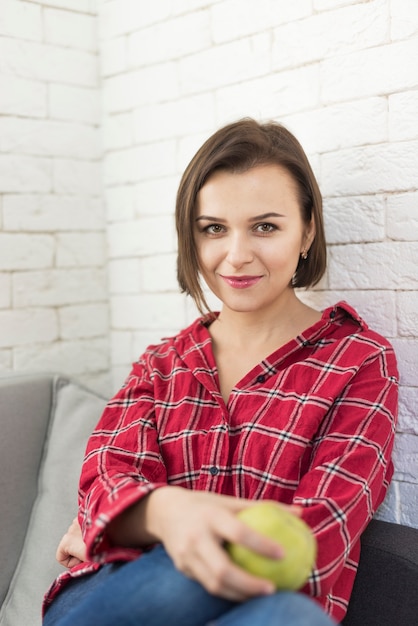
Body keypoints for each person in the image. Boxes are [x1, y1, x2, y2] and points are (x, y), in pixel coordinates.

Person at [42, 118, 398, 626]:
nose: (236, 256)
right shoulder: (161, 363)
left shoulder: (359, 361)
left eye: (265, 226)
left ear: (308, 230)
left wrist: (130, 519)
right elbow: (106, 475)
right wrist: (165, 513)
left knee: (293, 617)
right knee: (196, 582)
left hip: (267, 602)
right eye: (214, 229)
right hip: (127, 593)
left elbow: (322, 528)